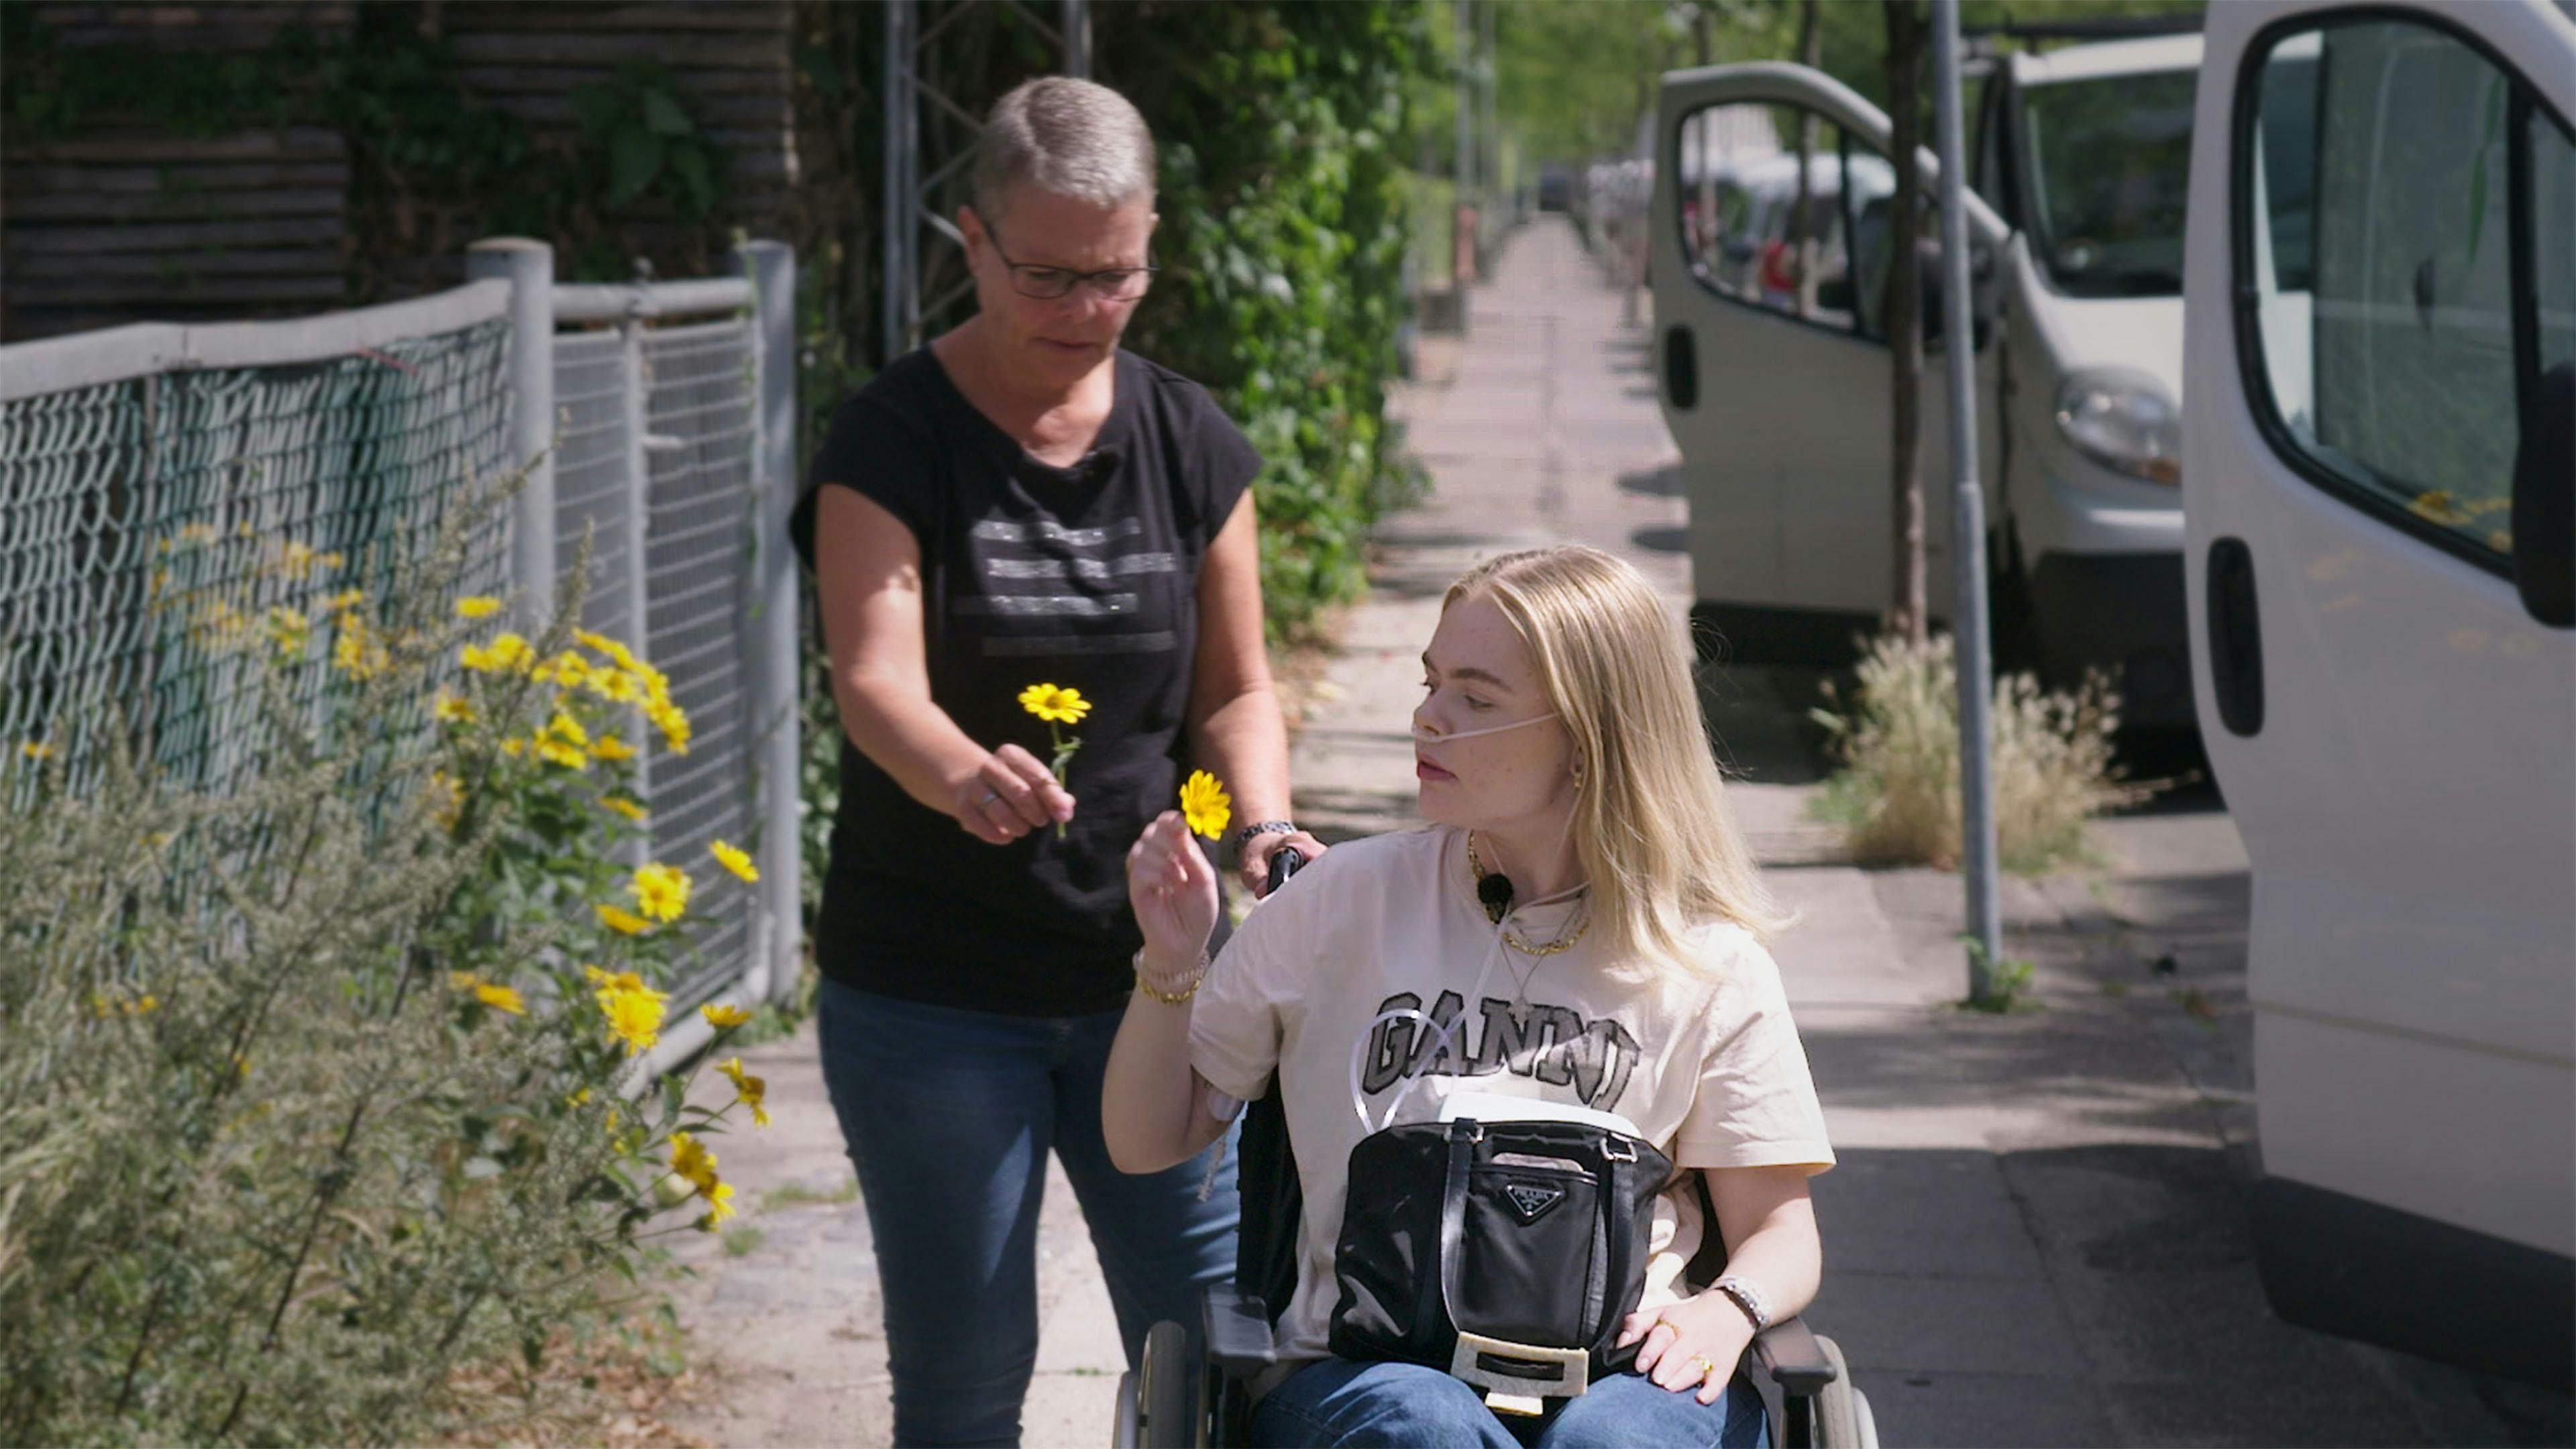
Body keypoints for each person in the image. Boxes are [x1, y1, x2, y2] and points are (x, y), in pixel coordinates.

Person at [790, 74, 1328, 1448]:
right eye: (1049, 275)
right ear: (970, 239)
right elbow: (873, 679)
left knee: (1210, 1365)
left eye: (1118, 275)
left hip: (1156, 987)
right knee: (965, 1384)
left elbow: (1236, 688)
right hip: (932, 995)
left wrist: (1262, 829)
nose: (1088, 309)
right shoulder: (893, 437)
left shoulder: (1191, 438)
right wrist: (962, 772)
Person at [1104, 546, 1833, 1448]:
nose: (1427, 719)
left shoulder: (1710, 962)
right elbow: (1146, 1141)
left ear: (1589, 736)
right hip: (1370, 1380)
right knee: (1423, 1429)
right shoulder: (1339, 904)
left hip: (1628, 1376)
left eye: (1475, 699)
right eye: (1430, 682)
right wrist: (1171, 964)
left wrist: (1729, 1310)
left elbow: (1781, 1234)